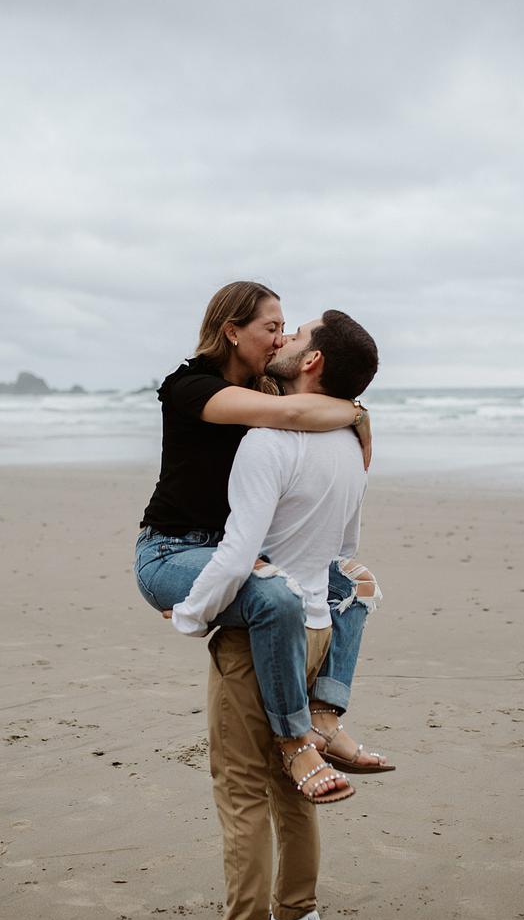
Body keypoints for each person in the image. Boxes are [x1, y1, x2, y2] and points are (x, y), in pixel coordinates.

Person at [153, 310, 380, 920]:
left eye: (297, 335)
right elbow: (346, 552)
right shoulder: (347, 443)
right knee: (290, 780)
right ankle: (297, 916)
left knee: (242, 788)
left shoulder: (268, 442)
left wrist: (191, 617)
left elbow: (237, 553)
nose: (283, 341)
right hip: (314, 627)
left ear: (312, 363)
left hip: (257, 637)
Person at [133, 282, 387, 803]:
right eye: (271, 328)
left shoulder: (269, 390)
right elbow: (297, 415)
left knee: (355, 581)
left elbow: (306, 410)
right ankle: (295, 740)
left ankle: (327, 715)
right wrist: (359, 415)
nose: (279, 339)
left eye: (285, 328)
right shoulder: (190, 387)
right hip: (172, 553)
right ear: (231, 331)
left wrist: (356, 413)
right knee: (274, 595)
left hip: (241, 554)